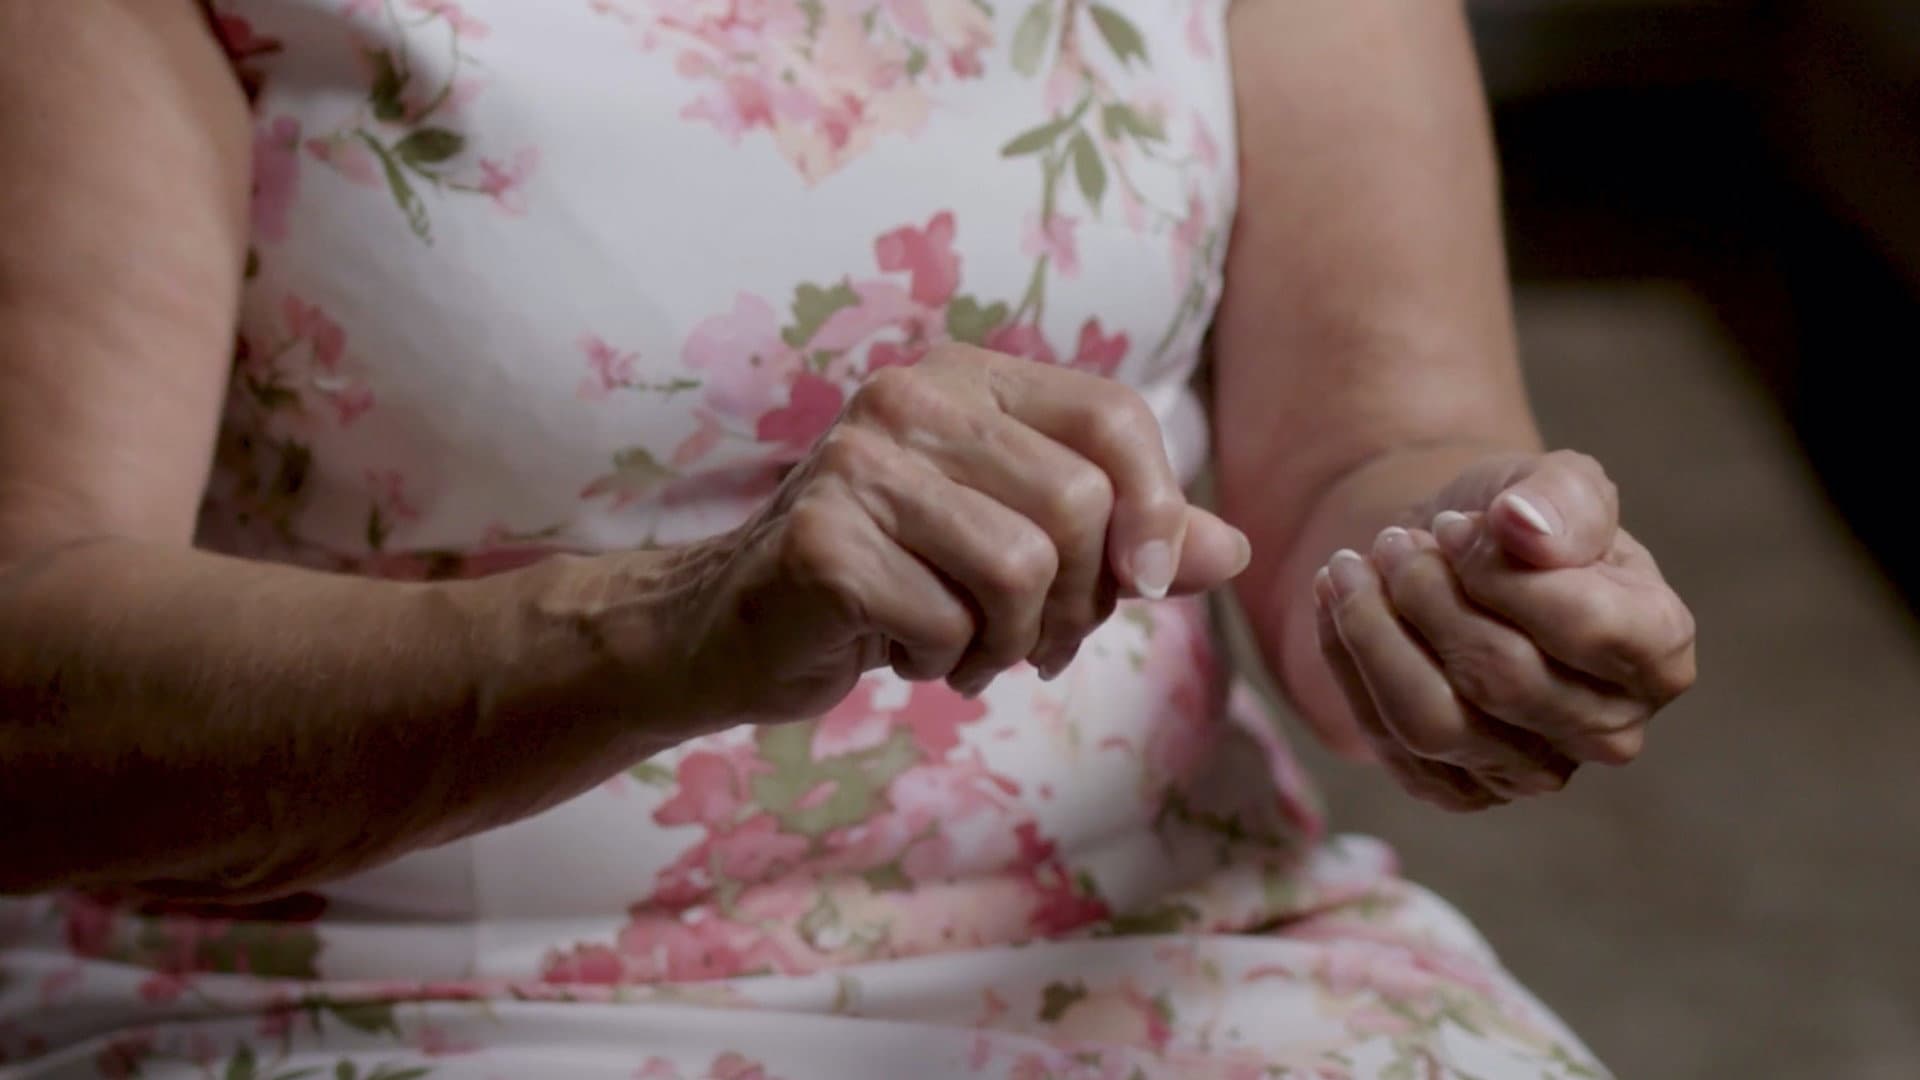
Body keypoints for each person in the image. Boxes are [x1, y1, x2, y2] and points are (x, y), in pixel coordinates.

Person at [0, 0, 1696, 1076]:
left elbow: (1367, 447)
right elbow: (31, 681)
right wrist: (671, 629)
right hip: (336, 987)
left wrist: (1466, 587)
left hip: (1151, 938)